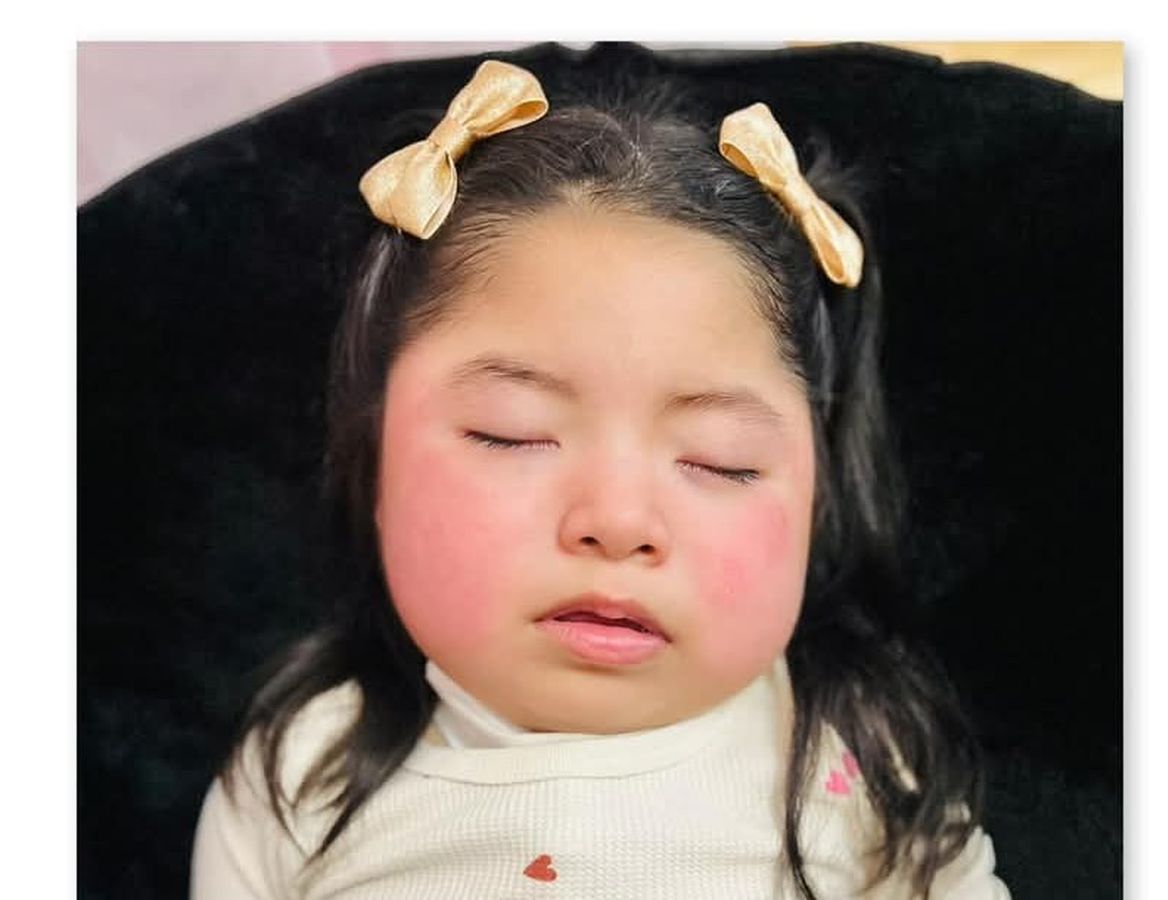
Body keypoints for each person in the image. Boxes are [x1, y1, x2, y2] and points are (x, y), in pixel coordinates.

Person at [189, 59, 1011, 899]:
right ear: (373, 459)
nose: (617, 521)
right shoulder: (301, 776)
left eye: (718, 460)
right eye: (511, 434)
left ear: (818, 496)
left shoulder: (862, 765)